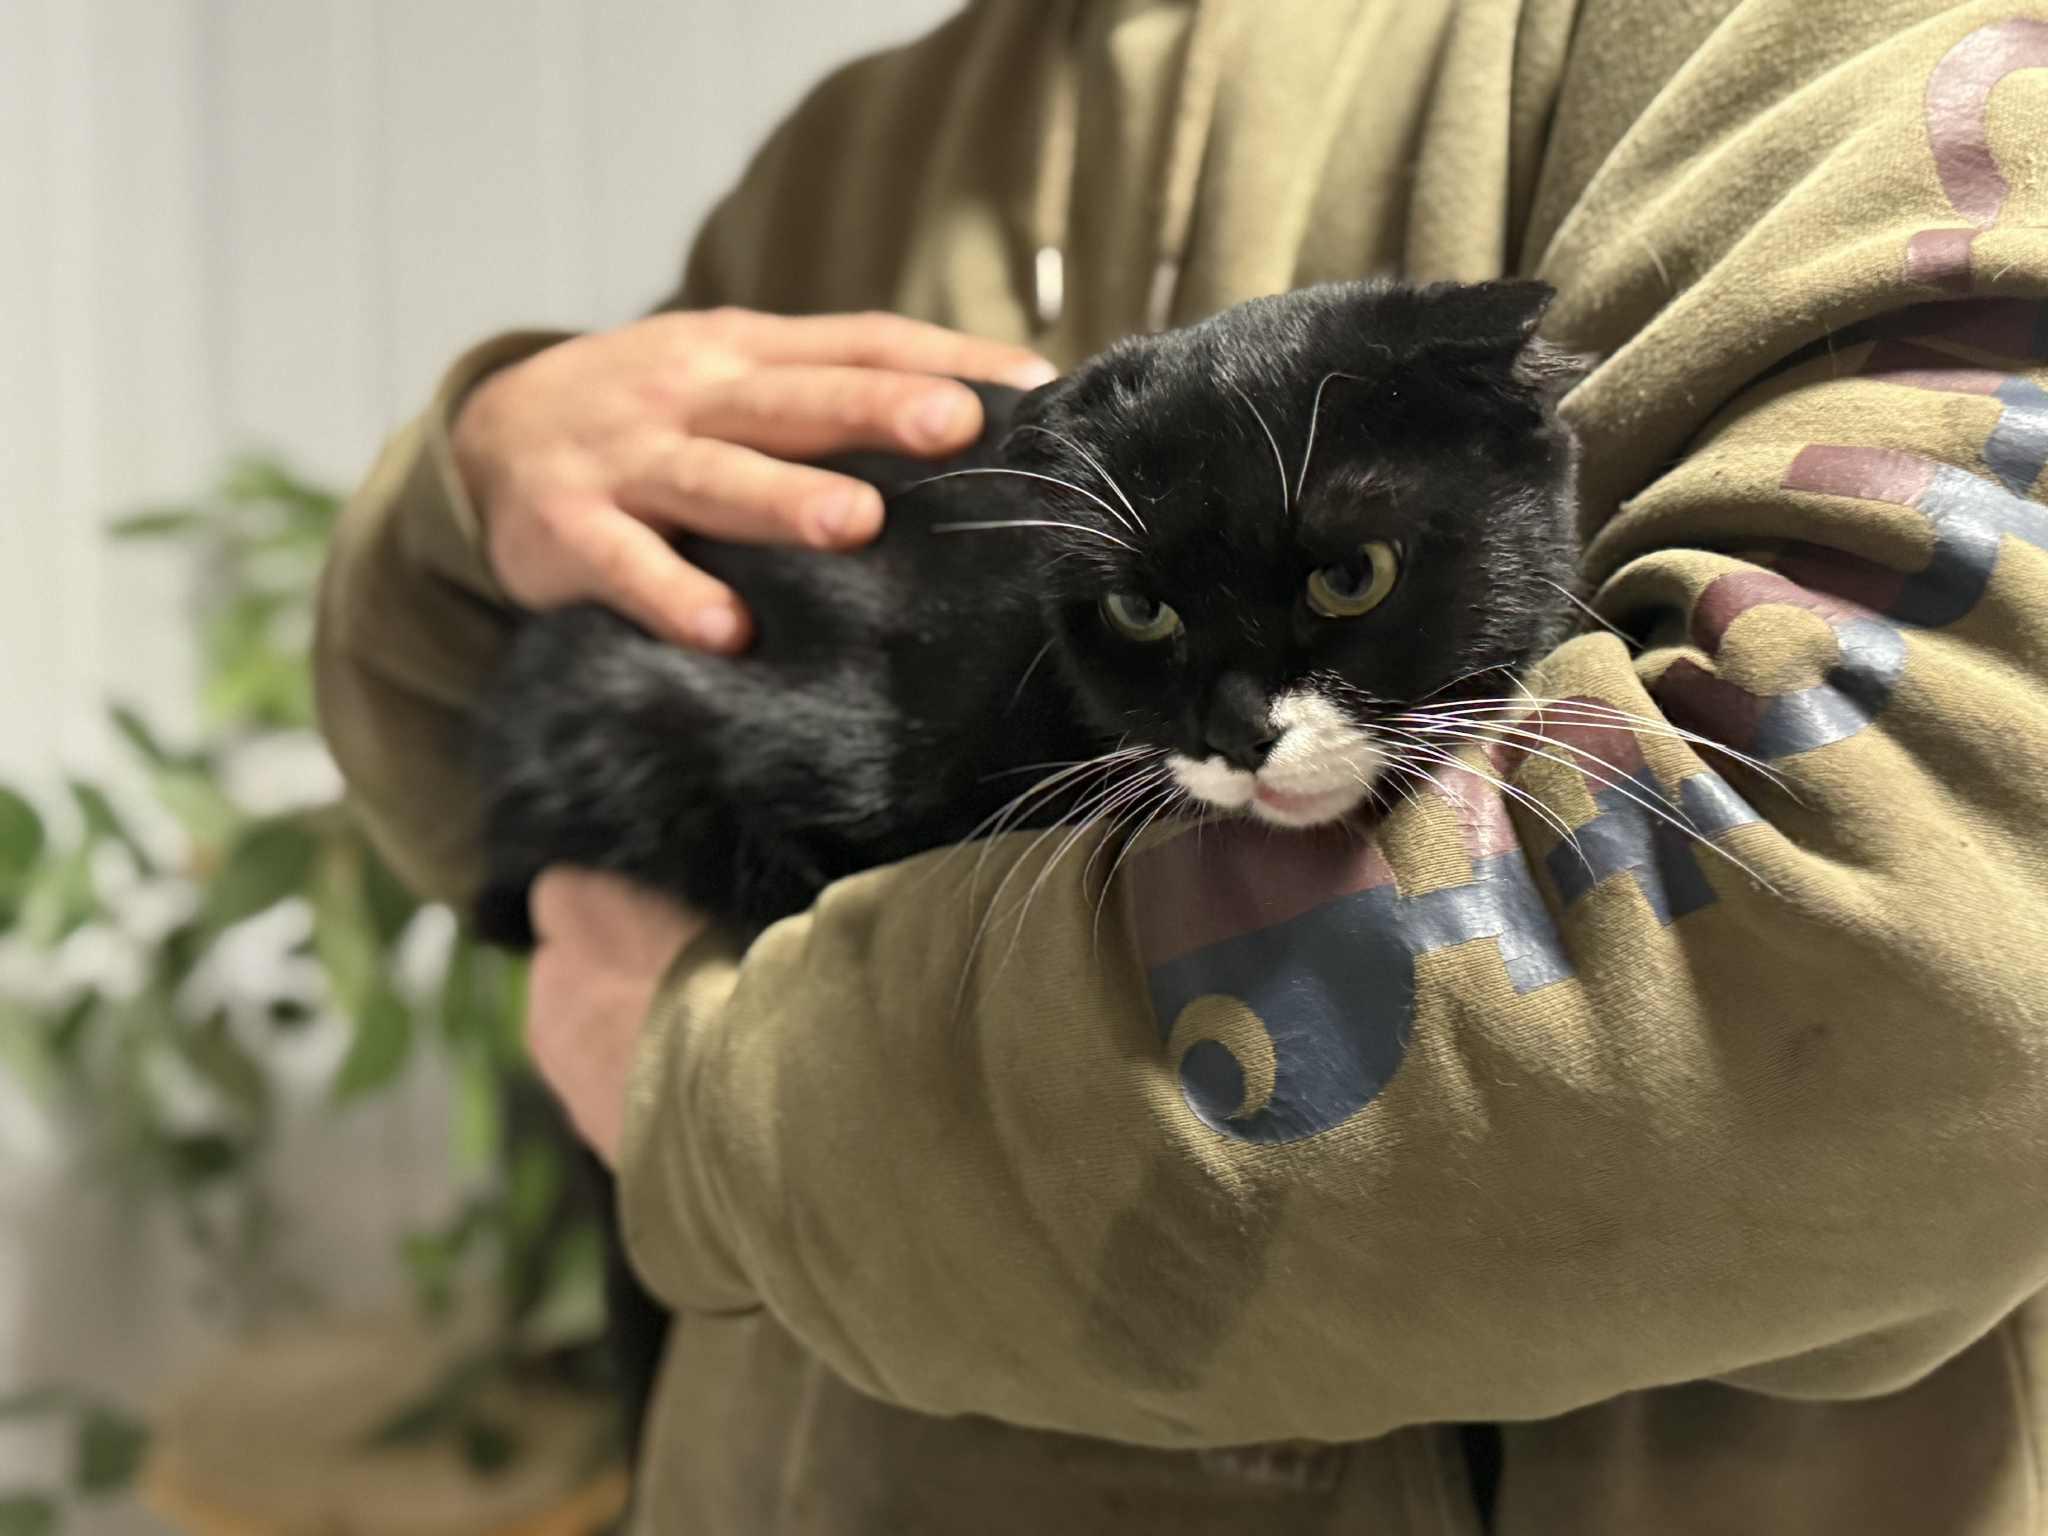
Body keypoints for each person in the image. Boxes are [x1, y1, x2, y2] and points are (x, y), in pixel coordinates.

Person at [314, 1, 2048, 1530]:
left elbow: (1915, 976)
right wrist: (459, 499)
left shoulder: (1777, 32)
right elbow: (474, 827)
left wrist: (718, 1102)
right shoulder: (848, 154)